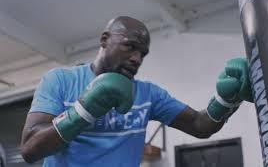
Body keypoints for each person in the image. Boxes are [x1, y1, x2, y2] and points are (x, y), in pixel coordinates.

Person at [20, 16, 252, 167]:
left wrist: (226, 100)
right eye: (130, 46)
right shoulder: (60, 80)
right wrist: (82, 112)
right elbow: (30, 149)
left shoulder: (148, 94)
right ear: (104, 40)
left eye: (143, 53)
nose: (136, 58)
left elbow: (199, 125)